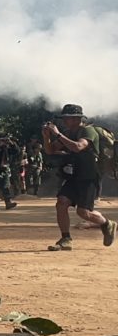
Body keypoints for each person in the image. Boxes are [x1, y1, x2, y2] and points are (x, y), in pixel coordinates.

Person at [42, 104, 116, 251]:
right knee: (61, 202)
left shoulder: (88, 131)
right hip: (74, 176)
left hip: (89, 177)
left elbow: (78, 147)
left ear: (77, 119)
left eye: (67, 118)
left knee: (83, 212)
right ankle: (65, 238)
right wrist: (46, 137)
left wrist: (57, 134)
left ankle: (107, 224)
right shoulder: (68, 132)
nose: (64, 122)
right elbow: (50, 150)